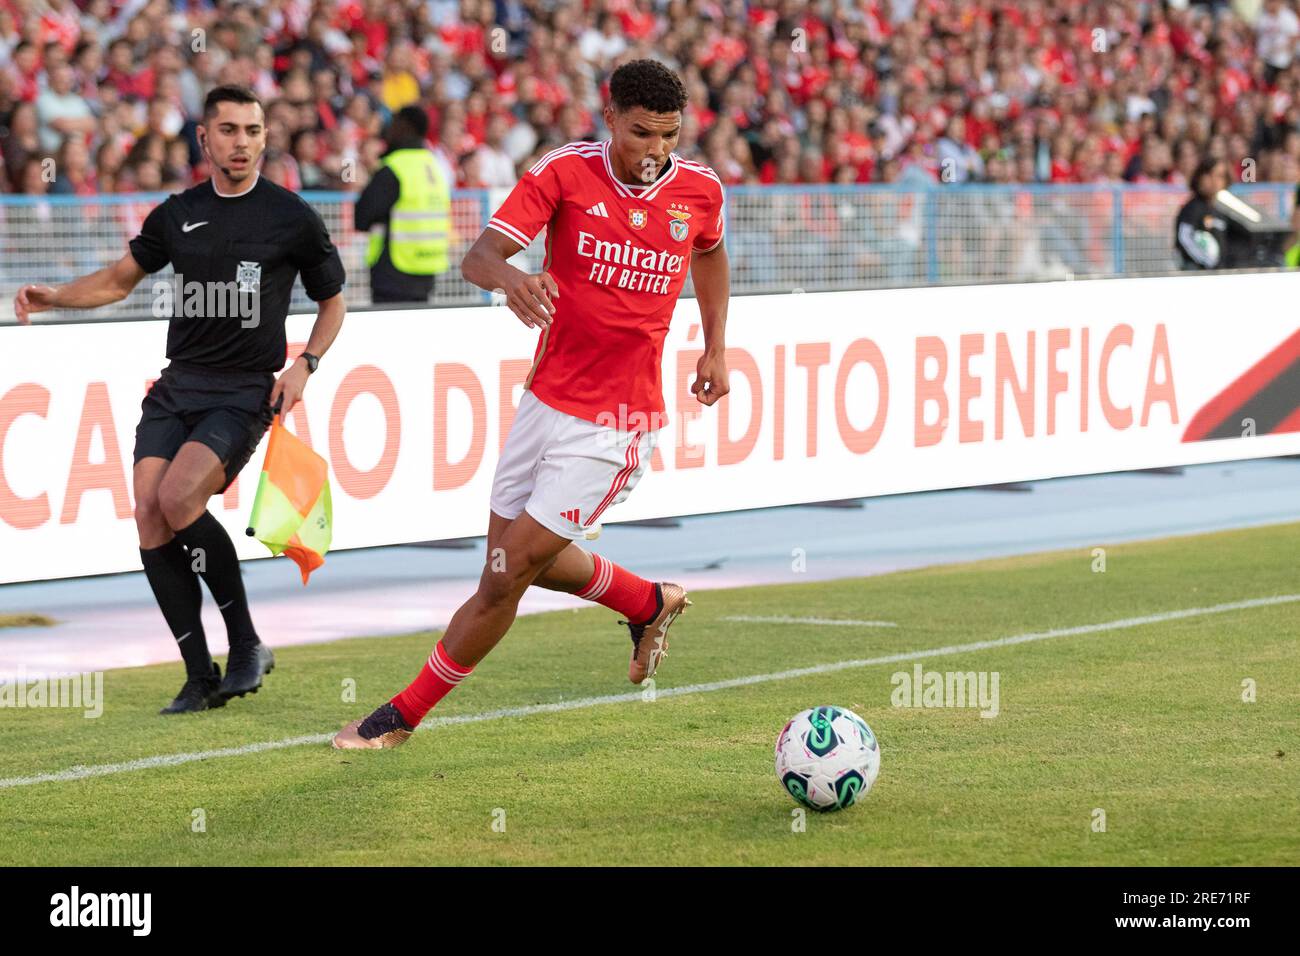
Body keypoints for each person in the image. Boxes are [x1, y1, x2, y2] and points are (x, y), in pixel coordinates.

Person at [334, 59, 731, 749]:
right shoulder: (564, 172)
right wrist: (512, 280)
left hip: (617, 424)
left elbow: (711, 253)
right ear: (610, 119)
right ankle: (647, 601)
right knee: (512, 565)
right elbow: (479, 257)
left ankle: (398, 718)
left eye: (669, 135)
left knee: (503, 578)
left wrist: (716, 346)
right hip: (545, 406)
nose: (656, 151)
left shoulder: (698, 190)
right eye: (641, 133)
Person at [13, 85, 347, 714]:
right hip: (179, 385)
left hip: (244, 391)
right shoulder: (177, 213)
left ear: (265, 137)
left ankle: (247, 642)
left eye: (251, 130)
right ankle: (199, 676)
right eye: (227, 130)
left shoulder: (291, 216)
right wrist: (53, 296)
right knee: (147, 511)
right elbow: (118, 280)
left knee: (177, 497)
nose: (240, 142)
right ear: (204, 139)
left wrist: (305, 364)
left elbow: (334, 301)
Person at [354, 105, 453, 304]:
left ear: (404, 127)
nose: (389, 130)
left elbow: (361, 218)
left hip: (394, 269)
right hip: (428, 266)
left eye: (393, 124)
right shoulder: (435, 165)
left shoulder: (394, 168)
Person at [1175, 157, 1231, 270]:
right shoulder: (1192, 208)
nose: (1214, 181)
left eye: (1220, 176)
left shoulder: (1221, 210)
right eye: (1209, 174)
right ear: (1199, 177)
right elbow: (1184, 238)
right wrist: (1207, 261)